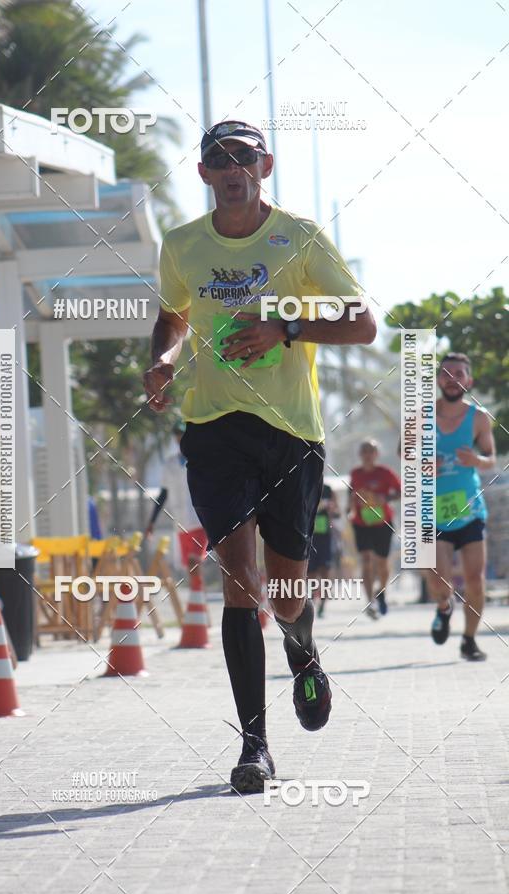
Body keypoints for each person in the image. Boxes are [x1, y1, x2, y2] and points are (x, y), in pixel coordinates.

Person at [143, 119, 376, 794]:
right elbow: (173, 314)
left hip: (290, 434)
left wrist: (287, 327)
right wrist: (161, 359)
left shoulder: (298, 237)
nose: (230, 166)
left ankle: (302, 657)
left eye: (243, 155)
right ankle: (253, 746)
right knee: (238, 580)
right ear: (204, 174)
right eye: (217, 157)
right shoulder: (183, 244)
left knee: (287, 588)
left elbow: (362, 322)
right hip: (214, 428)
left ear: (263, 165)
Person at [428, 352, 495, 661]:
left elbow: (491, 459)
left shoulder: (479, 418)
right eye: (446, 373)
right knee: (439, 581)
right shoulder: (422, 416)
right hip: (434, 512)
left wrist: (476, 460)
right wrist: (424, 464)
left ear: (469, 380)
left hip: (469, 510)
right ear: (438, 379)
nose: (452, 378)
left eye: (459, 373)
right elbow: (405, 454)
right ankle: (444, 608)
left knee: (474, 579)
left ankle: (469, 640)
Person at [145, 422, 208, 575]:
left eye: (183, 434)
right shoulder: (169, 464)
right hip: (181, 524)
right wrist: (152, 522)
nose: (180, 438)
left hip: (199, 521)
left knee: (196, 561)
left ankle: (198, 596)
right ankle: (197, 596)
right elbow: (163, 495)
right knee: (189, 566)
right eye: (177, 435)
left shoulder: (201, 460)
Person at [349, 439, 401, 618]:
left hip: (382, 523)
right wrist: (350, 506)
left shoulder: (385, 473)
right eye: (364, 451)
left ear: (376, 454)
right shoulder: (355, 473)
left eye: (371, 451)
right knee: (365, 560)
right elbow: (352, 493)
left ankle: (382, 591)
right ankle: (369, 601)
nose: (367, 455)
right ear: (360, 455)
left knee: (382, 562)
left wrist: (385, 499)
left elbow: (401, 491)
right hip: (361, 522)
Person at [307, 481, 340, 618]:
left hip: (325, 537)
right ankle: (311, 603)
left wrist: (332, 508)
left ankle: (323, 605)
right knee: (311, 573)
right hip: (309, 536)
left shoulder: (328, 489)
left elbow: (337, 513)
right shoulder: (305, 485)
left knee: (325, 571)